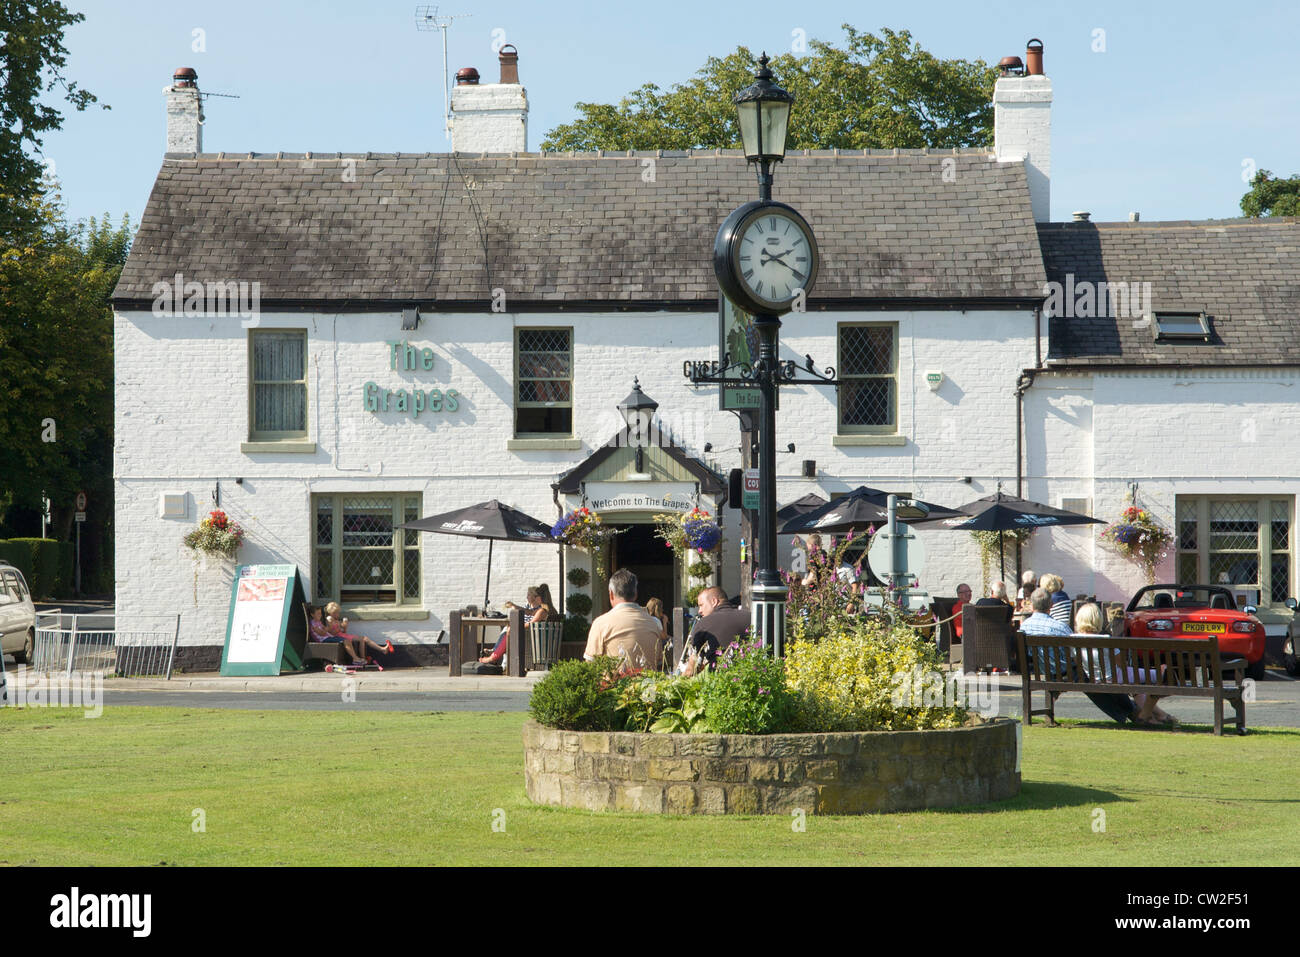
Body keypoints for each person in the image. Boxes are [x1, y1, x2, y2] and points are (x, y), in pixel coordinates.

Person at [1022, 589, 1136, 723]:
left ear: (1032, 605)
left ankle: (1131, 712)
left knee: (1091, 678)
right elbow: (1075, 649)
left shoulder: (1023, 627)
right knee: (1094, 678)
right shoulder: (1060, 627)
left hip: (1039, 671)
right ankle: (1131, 712)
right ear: (1051, 605)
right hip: (1067, 673)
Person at [583, 569, 664, 671]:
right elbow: (659, 663)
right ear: (635, 594)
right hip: (649, 684)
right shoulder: (653, 623)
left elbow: (589, 667)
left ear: (611, 594)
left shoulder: (601, 624)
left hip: (613, 686)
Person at [679, 586, 750, 675]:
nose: (699, 611)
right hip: (750, 677)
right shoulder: (750, 617)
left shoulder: (703, 623)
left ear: (714, 601)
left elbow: (691, 670)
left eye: (701, 605)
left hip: (719, 681)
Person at [480, 584, 556, 665]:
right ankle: (496, 656)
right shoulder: (545, 610)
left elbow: (531, 624)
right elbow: (529, 612)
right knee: (509, 630)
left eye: (534, 596)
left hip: (531, 639)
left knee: (509, 631)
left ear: (538, 597)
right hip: (535, 637)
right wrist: (514, 606)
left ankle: (494, 657)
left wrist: (516, 626)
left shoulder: (542, 611)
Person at [323, 601, 394, 660]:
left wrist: (345, 626)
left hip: (342, 635)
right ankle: (381, 650)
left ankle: (364, 659)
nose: (337, 614)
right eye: (335, 613)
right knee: (363, 638)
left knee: (363, 639)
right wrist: (340, 626)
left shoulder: (335, 620)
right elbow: (332, 633)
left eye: (338, 612)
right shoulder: (329, 619)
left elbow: (343, 631)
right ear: (330, 613)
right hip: (338, 637)